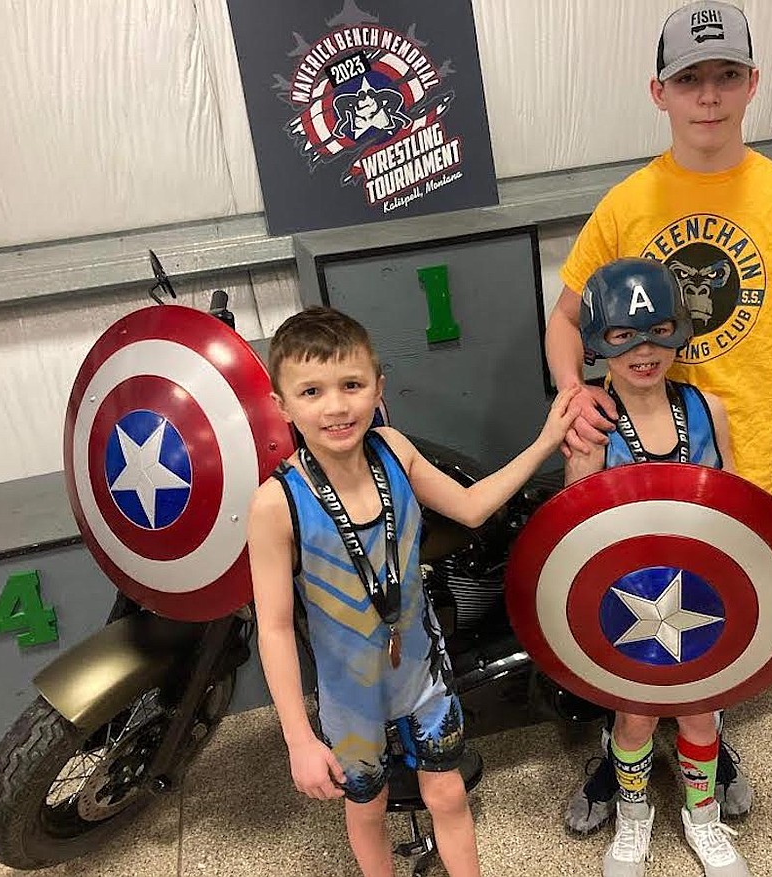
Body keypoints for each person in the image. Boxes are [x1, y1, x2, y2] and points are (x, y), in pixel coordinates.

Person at [544, 0, 772, 839]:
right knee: (629, 620)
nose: (709, 96)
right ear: (660, 92)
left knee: (711, 622)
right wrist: (574, 391)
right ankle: (625, 763)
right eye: (690, 79)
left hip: (735, 461)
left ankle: (708, 754)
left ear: (753, 83)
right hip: (632, 465)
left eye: (726, 76)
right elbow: (563, 317)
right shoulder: (628, 202)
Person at [247, 307, 579, 877]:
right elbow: (274, 627)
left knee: (448, 795)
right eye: (311, 391)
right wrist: (299, 739)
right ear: (281, 405)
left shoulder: (394, 452)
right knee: (368, 808)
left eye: (352, 385)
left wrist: (547, 440)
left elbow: (472, 507)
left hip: (422, 676)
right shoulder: (275, 505)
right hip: (349, 698)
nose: (336, 406)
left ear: (378, 387)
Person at [566, 257, 750, 876]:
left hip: (702, 595)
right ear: (598, 344)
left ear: (678, 331)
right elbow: (575, 536)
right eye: (623, 337)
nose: (644, 351)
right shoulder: (592, 426)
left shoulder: (708, 409)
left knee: (701, 710)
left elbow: (738, 510)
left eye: (656, 332)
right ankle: (633, 817)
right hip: (627, 601)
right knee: (635, 715)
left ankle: (704, 818)